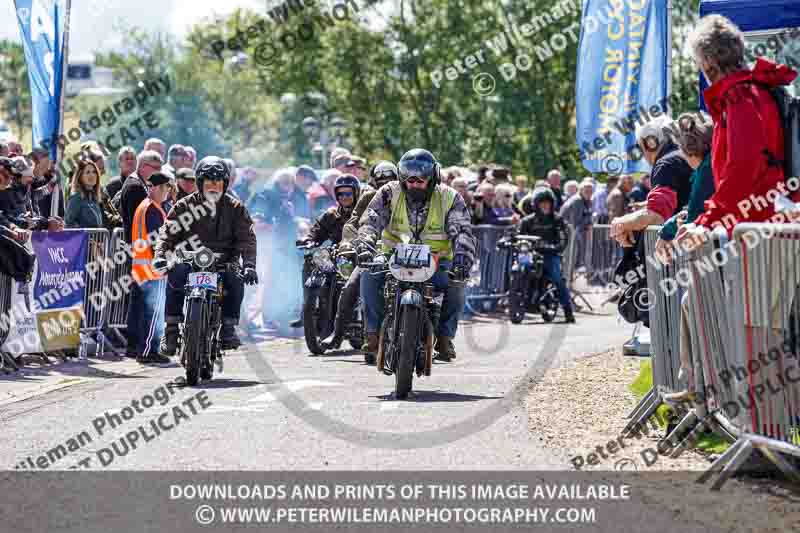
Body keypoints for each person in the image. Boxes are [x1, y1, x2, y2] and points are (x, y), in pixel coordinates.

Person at [676, 14, 797, 252]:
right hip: (763, 224)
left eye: (700, 63)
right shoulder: (752, 90)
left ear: (708, 61)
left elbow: (742, 167)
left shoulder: (738, 97)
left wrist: (707, 222)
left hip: (758, 229)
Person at [355, 149, 476, 362]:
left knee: (458, 283)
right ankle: (372, 334)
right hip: (393, 257)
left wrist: (462, 259)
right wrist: (364, 245)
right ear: (402, 179)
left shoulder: (450, 197)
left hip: (437, 260)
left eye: (421, 180)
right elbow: (370, 220)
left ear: (433, 178)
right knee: (369, 274)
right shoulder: (388, 192)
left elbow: (464, 231)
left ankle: (445, 337)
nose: (415, 184)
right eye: (410, 180)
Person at [154, 156, 258, 354]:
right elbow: (167, 232)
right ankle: (172, 329)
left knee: (235, 279)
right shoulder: (184, 206)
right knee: (175, 272)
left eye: (218, 181)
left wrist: (250, 265)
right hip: (189, 259)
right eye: (209, 180)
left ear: (224, 184)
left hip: (224, 261)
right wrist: (160, 255)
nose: (213, 185)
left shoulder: (236, 208)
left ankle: (228, 327)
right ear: (200, 183)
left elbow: (247, 238)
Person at [323, 163, 399, 351]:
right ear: (374, 181)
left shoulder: (406, 196)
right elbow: (352, 223)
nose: (385, 185)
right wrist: (348, 245)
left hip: (402, 252)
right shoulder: (367, 198)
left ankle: (434, 336)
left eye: (389, 180)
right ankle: (337, 334)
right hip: (373, 251)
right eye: (380, 181)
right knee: (350, 287)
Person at [609, 115, 693, 247]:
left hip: (682, 248)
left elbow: (656, 214)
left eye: (640, 146)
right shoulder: (682, 155)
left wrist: (620, 223)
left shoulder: (666, 164)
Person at [128, 172, 172, 364]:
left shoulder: (144, 207)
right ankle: (148, 351)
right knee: (153, 313)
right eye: (166, 188)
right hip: (152, 269)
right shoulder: (153, 209)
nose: (167, 192)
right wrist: (166, 261)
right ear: (158, 188)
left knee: (146, 312)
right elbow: (157, 240)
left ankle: (144, 349)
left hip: (141, 267)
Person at [518, 187, 575, 323]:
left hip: (550, 254)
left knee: (556, 277)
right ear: (536, 204)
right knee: (517, 269)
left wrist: (555, 247)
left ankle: (568, 310)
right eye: (542, 203)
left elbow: (563, 238)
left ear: (552, 204)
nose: (545, 205)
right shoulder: (527, 221)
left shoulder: (557, 220)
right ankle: (516, 301)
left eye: (547, 203)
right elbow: (518, 236)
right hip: (531, 254)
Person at [120, 150, 163, 244]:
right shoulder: (135, 187)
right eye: (156, 167)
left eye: (160, 168)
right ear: (143, 166)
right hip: (139, 248)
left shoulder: (138, 183)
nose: (159, 171)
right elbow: (141, 222)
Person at [559, 179, 594, 269]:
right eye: (586, 191)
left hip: (575, 232)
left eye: (590, 191)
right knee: (570, 257)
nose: (589, 193)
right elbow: (575, 222)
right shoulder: (577, 201)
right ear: (581, 190)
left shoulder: (587, 200)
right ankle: (567, 278)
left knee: (574, 257)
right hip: (569, 232)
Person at [65, 159, 104, 228]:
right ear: (80, 177)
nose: (92, 175)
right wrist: (85, 235)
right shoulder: (76, 198)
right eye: (87, 172)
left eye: (94, 172)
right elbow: (68, 224)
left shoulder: (95, 198)